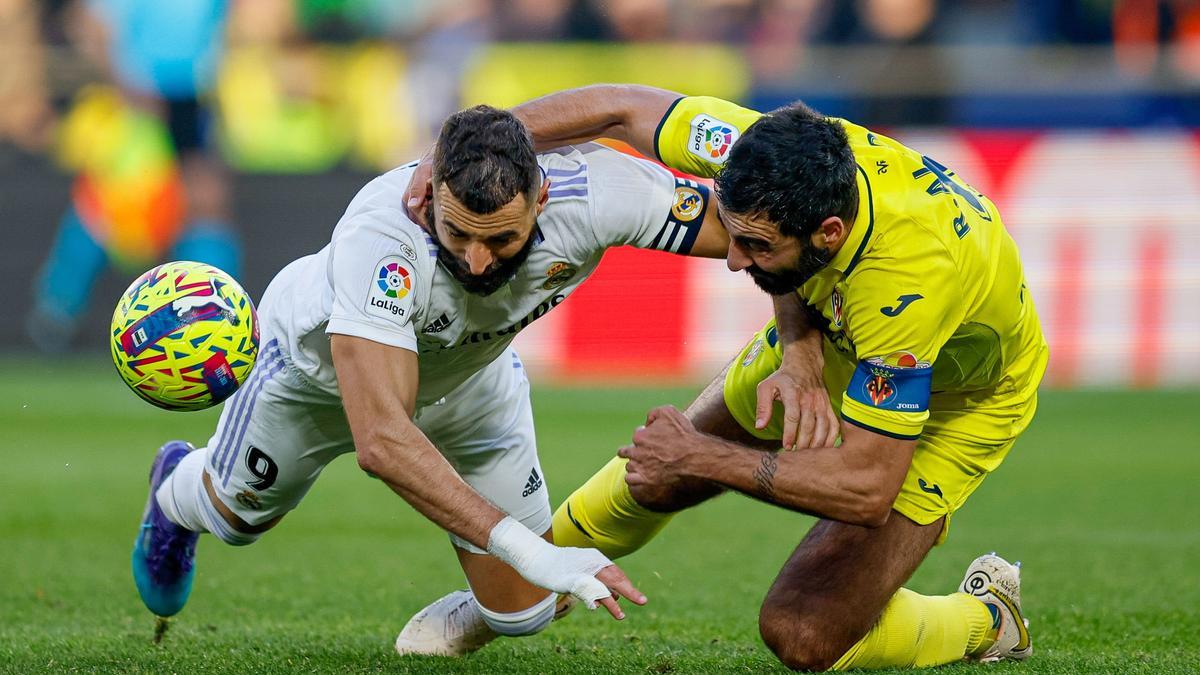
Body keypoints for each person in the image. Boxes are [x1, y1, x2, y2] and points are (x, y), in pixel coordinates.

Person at [405, 85, 1049, 670]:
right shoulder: (765, 151)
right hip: (836, 339)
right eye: (735, 236)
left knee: (803, 634)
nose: (735, 261)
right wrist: (452, 159)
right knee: (654, 477)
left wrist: (704, 456)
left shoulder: (906, 281)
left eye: (759, 247)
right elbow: (620, 107)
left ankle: (989, 620)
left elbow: (865, 486)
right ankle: (518, 593)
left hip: (961, 401)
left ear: (828, 233)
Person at [132, 103, 746, 652]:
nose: (479, 260)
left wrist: (796, 343)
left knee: (524, 614)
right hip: (318, 385)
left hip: (473, 380)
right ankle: (175, 488)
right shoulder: (381, 239)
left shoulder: (601, 194)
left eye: (502, 239)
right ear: (426, 198)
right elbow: (383, 440)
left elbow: (751, 229)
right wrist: (530, 549)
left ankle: (485, 607)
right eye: (458, 235)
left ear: (542, 200)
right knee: (236, 520)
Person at [27, 0, 240, 352]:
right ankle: (57, 309)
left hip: (193, 98)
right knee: (115, 204)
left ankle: (219, 316)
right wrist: (127, 87)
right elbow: (89, 25)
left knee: (207, 203)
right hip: (137, 99)